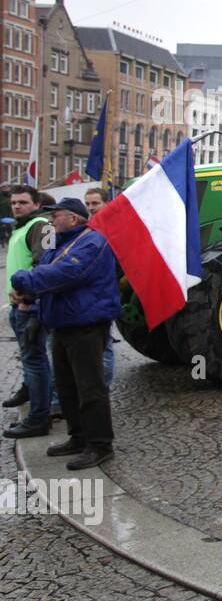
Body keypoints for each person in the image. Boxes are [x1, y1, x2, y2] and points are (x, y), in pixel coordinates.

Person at [11, 198, 121, 470]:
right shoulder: (58, 241)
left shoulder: (92, 242)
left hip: (85, 326)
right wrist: (32, 301)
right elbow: (45, 270)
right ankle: (78, 436)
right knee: (67, 387)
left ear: (73, 219)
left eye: (56, 215)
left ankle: (100, 444)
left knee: (90, 388)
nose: (51, 220)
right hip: (62, 324)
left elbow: (64, 274)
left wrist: (23, 281)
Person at [3, 186, 53, 437]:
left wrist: (29, 298)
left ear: (37, 203)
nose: (17, 206)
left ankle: (39, 417)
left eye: (23, 202)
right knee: (29, 359)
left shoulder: (42, 225)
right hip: (19, 306)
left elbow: (44, 263)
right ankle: (30, 395)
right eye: (14, 202)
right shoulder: (22, 226)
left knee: (35, 361)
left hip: (30, 306)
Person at [83, 188, 116, 386]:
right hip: (93, 292)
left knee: (105, 343)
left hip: (104, 291)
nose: (91, 208)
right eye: (87, 204)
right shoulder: (91, 226)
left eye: (95, 203)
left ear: (106, 203)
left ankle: (104, 386)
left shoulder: (111, 226)